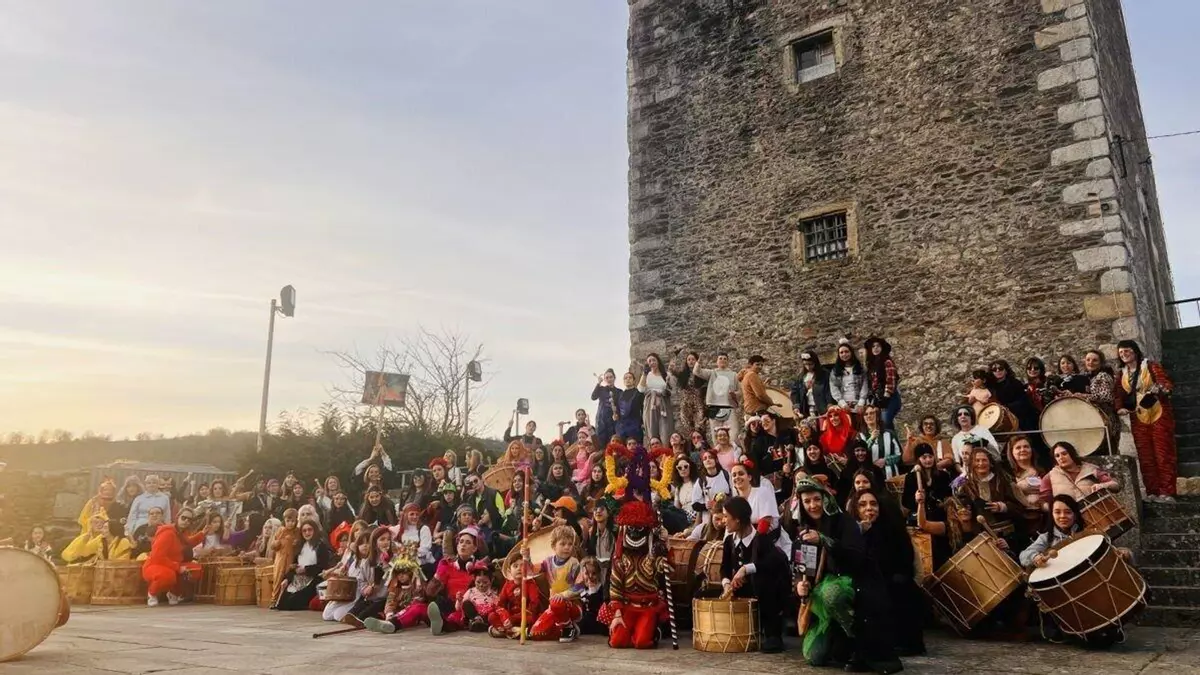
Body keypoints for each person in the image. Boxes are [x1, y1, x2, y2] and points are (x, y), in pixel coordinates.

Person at [1019, 494, 1132, 648]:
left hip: (1090, 585)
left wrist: (1123, 553)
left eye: (1068, 512)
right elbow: (1024, 555)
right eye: (1057, 512)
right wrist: (1035, 557)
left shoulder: (1089, 533)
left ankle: (1111, 624)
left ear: (1075, 514)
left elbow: (1110, 550)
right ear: (1051, 515)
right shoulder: (1047, 538)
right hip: (1063, 590)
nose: (1062, 516)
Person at [835, 489, 908, 674]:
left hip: (889, 581)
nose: (869, 509)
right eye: (862, 505)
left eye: (873, 504)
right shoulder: (851, 531)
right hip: (860, 581)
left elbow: (903, 561)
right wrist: (860, 534)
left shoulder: (891, 529)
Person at [791, 478, 854, 667]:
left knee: (831, 594)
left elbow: (854, 556)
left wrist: (823, 540)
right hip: (819, 601)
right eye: (807, 501)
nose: (813, 505)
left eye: (816, 499)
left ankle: (857, 640)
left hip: (849, 587)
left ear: (825, 499)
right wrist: (800, 586)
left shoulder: (843, 522)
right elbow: (801, 570)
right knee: (814, 656)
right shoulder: (803, 531)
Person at [720, 496, 790, 653]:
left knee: (764, 580)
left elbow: (775, 563)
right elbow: (724, 568)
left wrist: (746, 569)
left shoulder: (761, 539)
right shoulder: (729, 541)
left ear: (737, 519)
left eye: (726, 516)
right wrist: (726, 584)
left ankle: (773, 634)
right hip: (743, 590)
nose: (724, 520)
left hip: (762, 592)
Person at [1114, 338, 1178, 502]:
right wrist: (1120, 407)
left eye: (1127, 350)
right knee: (1145, 455)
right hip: (1138, 415)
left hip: (1158, 412)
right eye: (1121, 352)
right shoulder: (1122, 374)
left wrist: (1161, 389)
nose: (1124, 354)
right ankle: (1152, 491)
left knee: (1163, 452)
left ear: (1135, 351)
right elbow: (1118, 394)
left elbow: (1164, 383)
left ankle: (1167, 492)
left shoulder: (1150, 366)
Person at [955, 444, 1026, 550]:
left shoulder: (1003, 481)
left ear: (990, 463)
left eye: (984, 460)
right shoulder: (966, 486)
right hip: (982, 538)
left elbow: (1019, 508)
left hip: (1007, 535)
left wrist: (1002, 507)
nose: (980, 464)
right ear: (972, 464)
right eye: (977, 461)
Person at [902, 443, 954, 569]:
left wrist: (944, 502)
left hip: (939, 519)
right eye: (924, 457)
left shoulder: (943, 476)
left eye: (930, 456)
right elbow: (906, 502)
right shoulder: (911, 477)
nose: (928, 460)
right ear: (918, 459)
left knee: (942, 552)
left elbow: (948, 496)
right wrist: (916, 499)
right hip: (921, 519)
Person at [530, 525, 585, 642]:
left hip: (572, 605)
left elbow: (580, 586)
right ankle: (567, 629)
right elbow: (531, 571)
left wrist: (563, 595)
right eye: (563, 544)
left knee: (557, 603)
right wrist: (526, 558)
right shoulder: (547, 562)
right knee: (536, 633)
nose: (567, 547)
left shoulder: (574, 563)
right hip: (554, 605)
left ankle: (568, 627)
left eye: (570, 544)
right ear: (553, 546)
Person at [143, 507, 204, 606]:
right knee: (168, 576)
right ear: (177, 517)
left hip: (172, 565)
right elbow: (157, 557)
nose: (186, 521)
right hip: (155, 564)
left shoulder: (182, 533)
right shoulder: (168, 533)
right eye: (183, 518)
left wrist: (203, 534)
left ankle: (174, 593)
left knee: (195, 570)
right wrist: (177, 567)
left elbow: (188, 542)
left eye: (189, 520)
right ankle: (152, 593)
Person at [729, 460, 791, 554]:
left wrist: (754, 545)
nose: (737, 477)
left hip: (772, 544)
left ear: (749, 477)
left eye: (741, 474)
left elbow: (766, 520)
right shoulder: (734, 502)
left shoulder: (762, 492)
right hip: (747, 546)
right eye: (734, 475)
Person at [988, 359, 1044, 463]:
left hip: (1021, 420)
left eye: (1000, 368)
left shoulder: (1015, 383)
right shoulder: (990, 388)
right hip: (1002, 425)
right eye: (994, 369)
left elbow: (1023, 401)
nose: (998, 371)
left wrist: (1006, 408)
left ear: (1006, 370)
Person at [1041, 441, 1120, 503]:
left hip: (1095, 515)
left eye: (1064, 454)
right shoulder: (1051, 476)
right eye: (1057, 456)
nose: (1061, 458)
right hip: (1068, 517)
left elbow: (1116, 485)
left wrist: (1103, 485)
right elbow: (1044, 500)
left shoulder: (1091, 469)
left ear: (1072, 453)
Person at [1075, 349, 1122, 453]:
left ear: (1101, 362)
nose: (1090, 362)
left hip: (1106, 419)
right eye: (1088, 360)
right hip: (1096, 418)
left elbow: (1106, 396)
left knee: (1107, 452)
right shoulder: (1088, 376)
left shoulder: (1103, 375)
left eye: (1095, 360)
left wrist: (1083, 396)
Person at [364, 557, 424, 634]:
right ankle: (385, 623)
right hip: (396, 614)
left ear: (411, 573)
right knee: (378, 613)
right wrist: (389, 613)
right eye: (398, 573)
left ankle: (390, 624)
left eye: (404, 573)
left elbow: (416, 602)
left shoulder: (417, 587)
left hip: (410, 615)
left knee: (414, 609)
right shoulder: (395, 588)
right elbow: (390, 601)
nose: (401, 576)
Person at [693, 351, 742, 445]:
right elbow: (696, 371)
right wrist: (699, 361)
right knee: (716, 435)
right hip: (714, 407)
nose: (722, 360)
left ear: (728, 361)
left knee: (734, 433)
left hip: (729, 406)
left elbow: (740, 392)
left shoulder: (733, 375)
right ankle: (718, 452)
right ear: (717, 361)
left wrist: (734, 394)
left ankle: (732, 452)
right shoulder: (712, 373)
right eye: (720, 358)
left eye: (725, 359)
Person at [488, 556, 544, 639]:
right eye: (515, 566)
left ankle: (509, 632)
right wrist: (505, 618)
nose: (519, 569)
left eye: (522, 566)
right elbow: (500, 604)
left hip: (526, 616)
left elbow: (534, 604)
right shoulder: (507, 584)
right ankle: (511, 631)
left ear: (528, 569)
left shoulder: (530, 584)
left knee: (534, 619)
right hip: (510, 617)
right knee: (492, 616)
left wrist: (513, 619)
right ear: (509, 571)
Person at [749, 411, 798, 503]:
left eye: (766, 420)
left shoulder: (787, 434)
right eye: (762, 422)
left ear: (773, 420)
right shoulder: (760, 441)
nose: (764, 423)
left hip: (792, 477)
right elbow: (755, 462)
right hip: (773, 483)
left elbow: (797, 450)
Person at [1007, 436, 1047, 535]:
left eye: (1026, 446)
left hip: (1045, 515)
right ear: (1011, 452)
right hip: (1022, 520)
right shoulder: (1008, 474)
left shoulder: (1042, 469)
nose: (1023, 450)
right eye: (1018, 447)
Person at [829, 338, 869, 425]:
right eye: (841, 352)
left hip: (859, 405)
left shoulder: (861, 368)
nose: (844, 354)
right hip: (844, 406)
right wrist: (842, 404)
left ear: (851, 352)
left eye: (846, 351)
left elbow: (865, 385)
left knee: (861, 427)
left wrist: (861, 402)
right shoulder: (835, 371)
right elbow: (834, 388)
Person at [864, 336, 901, 430]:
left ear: (882, 348)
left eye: (878, 346)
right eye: (873, 346)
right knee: (882, 425)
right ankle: (891, 439)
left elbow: (891, 380)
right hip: (879, 398)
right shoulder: (871, 365)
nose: (875, 348)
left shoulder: (887, 362)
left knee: (885, 421)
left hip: (889, 397)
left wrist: (886, 396)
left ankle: (892, 439)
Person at [859, 404, 903, 482]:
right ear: (863, 418)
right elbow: (860, 456)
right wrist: (871, 439)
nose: (869, 416)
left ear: (877, 416)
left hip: (891, 476)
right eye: (866, 414)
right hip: (871, 477)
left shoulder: (890, 434)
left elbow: (899, 454)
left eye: (872, 413)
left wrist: (886, 460)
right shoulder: (860, 436)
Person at [638, 353, 675, 444]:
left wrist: (672, 373)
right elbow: (641, 389)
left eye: (654, 360)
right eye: (649, 361)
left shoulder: (665, 375)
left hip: (664, 405)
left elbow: (672, 388)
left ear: (658, 361)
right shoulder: (647, 375)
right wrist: (644, 374)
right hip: (650, 405)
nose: (652, 362)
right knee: (652, 432)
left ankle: (666, 449)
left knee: (665, 431)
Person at [791, 348, 835, 422]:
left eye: (810, 364)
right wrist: (796, 406)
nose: (808, 367)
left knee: (824, 426)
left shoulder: (825, 374)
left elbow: (829, 390)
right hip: (807, 409)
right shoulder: (801, 377)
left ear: (815, 363)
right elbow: (795, 392)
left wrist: (830, 403)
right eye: (805, 364)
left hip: (822, 407)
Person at [672, 351, 707, 437]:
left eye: (693, 359)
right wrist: (675, 357)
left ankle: (701, 444)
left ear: (696, 361)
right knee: (687, 426)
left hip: (698, 403)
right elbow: (673, 370)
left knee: (699, 425)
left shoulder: (702, 373)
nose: (691, 361)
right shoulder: (683, 374)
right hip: (686, 403)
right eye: (689, 359)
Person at [398, 503, 436, 578]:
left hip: (422, 565)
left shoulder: (424, 529)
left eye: (417, 514)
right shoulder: (401, 529)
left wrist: (407, 553)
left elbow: (425, 549)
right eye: (411, 514)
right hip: (404, 564)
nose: (415, 517)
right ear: (405, 515)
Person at [592, 369, 621, 449]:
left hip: (613, 421)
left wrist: (617, 412)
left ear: (614, 378)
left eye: (611, 377)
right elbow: (593, 397)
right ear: (604, 379)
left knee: (612, 443)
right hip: (601, 420)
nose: (609, 379)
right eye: (607, 378)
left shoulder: (619, 392)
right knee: (601, 444)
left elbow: (620, 407)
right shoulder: (601, 389)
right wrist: (598, 383)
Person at [615, 371, 646, 444]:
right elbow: (618, 409)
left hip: (635, 425)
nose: (628, 379)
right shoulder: (620, 395)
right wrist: (616, 415)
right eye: (625, 378)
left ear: (634, 381)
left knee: (635, 446)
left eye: (630, 378)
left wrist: (643, 422)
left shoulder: (639, 393)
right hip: (621, 426)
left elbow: (643, 408)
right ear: (623, 381)